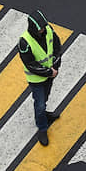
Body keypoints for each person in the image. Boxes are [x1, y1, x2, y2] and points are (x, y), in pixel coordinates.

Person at [18, 10, 62, 146]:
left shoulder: (49, 30)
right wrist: (49, 72)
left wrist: (55, 65)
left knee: (45, 98)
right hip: (37, 79)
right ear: (33, 28)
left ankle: (43, 115)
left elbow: (57, 47)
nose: (43, 30)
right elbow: (31, 65)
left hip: (50, 74)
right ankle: (42, 128)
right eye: (40, 28)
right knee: (40, 103)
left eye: (43, 27)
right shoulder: (24, 43)